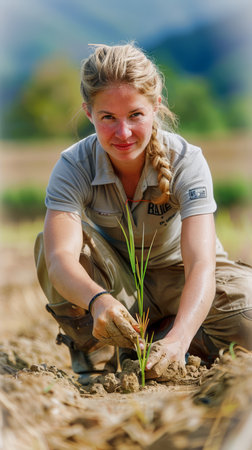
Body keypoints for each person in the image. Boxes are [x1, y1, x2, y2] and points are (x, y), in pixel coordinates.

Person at [34, 43, 252, 385]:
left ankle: (169, 336)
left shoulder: (186, 160)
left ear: (155, 108)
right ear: (89, 113)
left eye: (135, 115)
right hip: (117, 283)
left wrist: (179, 341)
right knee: (51, 244)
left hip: (181, 274)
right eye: (108, 117)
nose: (123, 134)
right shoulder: (72, 165)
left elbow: (201, 264)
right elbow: (59, 258)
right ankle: (98, 350)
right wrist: (97, 301)